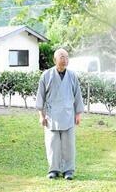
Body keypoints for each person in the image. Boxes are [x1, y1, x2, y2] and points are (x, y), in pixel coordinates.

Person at [36, 48, 85, 180]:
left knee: (68, 145)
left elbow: (77, 95)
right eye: (62, 57)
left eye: (67, 57)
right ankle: (54, 169)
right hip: (51, 116)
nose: (65, 60)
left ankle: (68, 170)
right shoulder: (46, 75)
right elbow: (40, 96)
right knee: (52, 145)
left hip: (68, 115)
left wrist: (78, 114)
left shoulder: (72, 75)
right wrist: (41, 115)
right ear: (55, 59)